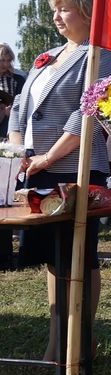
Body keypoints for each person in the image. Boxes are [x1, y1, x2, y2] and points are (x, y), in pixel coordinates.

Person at [8, 0, 111, 359]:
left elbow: (88, 113)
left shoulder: (101, 56)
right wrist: (18, 150)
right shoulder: (47, 56)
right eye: (55, 10)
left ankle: (80, 342)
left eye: (65, 9)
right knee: (53, 259)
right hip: (36, 168)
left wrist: (50, 158)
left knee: (78, 257)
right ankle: (58, 342)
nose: (56, 16)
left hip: (74, 169)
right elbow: (21, 108)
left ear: (87, 12)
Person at [0, 42, 25, 271]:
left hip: (12, 141)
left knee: (7, 193)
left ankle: (8, 255)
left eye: (9, 60)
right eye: (2, 61)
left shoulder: (20, 79)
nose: (6, 65)